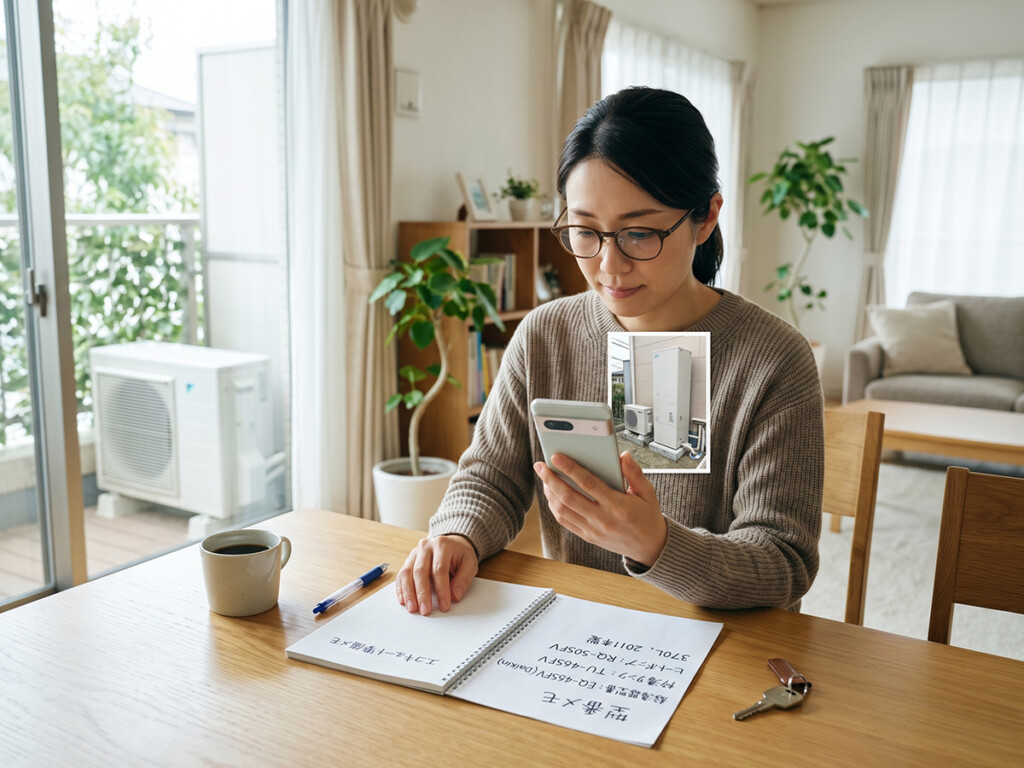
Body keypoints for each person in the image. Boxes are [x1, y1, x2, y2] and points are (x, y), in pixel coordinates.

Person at [395, 86, 824, 616]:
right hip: (578, 633)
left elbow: (783, 564)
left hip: (723, 647)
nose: (609, 265)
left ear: (706, 216)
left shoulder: (773, 360)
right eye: (585, 231)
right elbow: (492, 477)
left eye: (640, 233)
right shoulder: (545, 335)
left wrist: (657, 544)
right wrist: (457, 535)